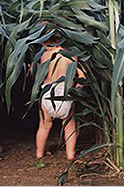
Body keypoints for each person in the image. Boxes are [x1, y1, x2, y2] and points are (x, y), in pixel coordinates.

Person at [35, 33, 85, 162]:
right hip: (65, 93)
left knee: (44, 126)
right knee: (69, 125)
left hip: (47, 93)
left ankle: (39, 154)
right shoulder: (70, 55)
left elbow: (40, 75)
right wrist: (76, 89)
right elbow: (82, 76)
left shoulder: (44, 56)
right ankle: (70, 155)